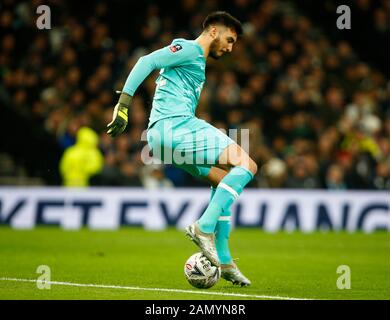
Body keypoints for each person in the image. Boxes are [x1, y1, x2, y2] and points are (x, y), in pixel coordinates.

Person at [107, 11, 257, 286]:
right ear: (214, 31)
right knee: (247, 165)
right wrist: (124, 104)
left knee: (223, 178)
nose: (230, 47)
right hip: (175, 128)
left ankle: (223, 260)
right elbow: (146, 60)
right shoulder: (189, 49)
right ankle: (203, 227)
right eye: (230, 39)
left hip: (162, 141)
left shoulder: (195, 61)